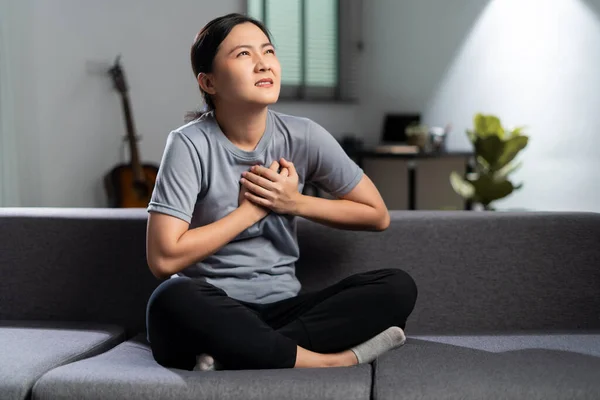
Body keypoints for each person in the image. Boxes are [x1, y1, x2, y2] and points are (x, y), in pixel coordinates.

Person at [145, 12, 418, 372]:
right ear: (208, 82)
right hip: (213, 304)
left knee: (397, 287)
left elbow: (376, 215)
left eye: (268, 51)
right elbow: (163, 261)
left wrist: (294, 202)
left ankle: (240, 351)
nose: (263, 64)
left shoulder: (303, 135)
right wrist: (250, 213)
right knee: (171, 298)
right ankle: (326, 361)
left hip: (284, 307)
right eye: (243, 54)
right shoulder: (188, 144)